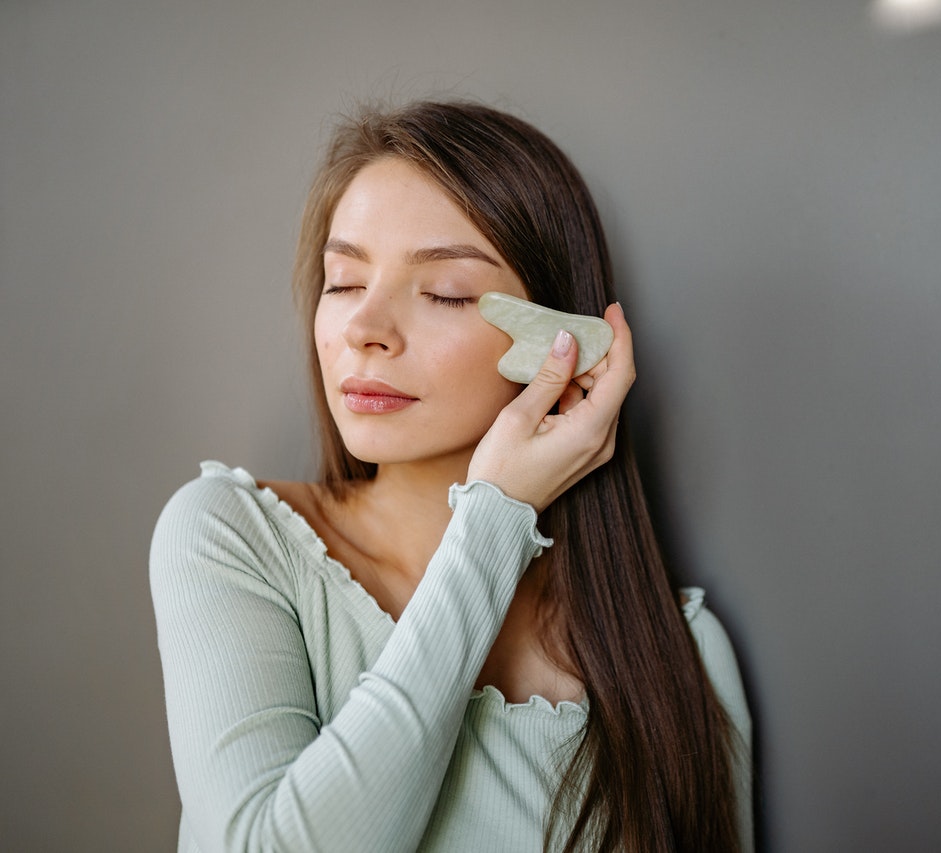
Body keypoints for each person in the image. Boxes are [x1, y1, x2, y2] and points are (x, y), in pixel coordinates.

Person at [150, 100, 752, 852]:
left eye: (446, 293)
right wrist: (494, 516)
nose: (365, 328)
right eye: (342, 282)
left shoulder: (680, 655)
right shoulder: (228, 535)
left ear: (561, 341)